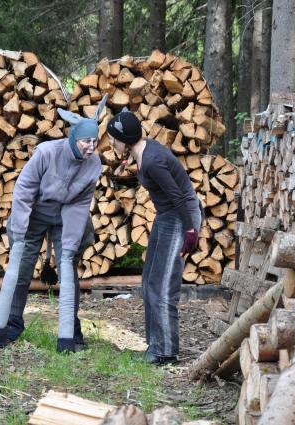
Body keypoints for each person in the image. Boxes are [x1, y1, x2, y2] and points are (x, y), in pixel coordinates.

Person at [0, 95, 108, 353]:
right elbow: (24, 190)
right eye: (87, 140)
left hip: (66, 219)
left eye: (95, 141)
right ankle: (11, 323)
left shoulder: (93, 164)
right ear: (74, 137)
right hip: (34, 216)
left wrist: (70, 245)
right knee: (21, 268)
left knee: (68, 271)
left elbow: (79, 206)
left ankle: (70, 330)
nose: (91, 146)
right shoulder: (47, 153)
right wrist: (19, 232)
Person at [106, 110, 201, 365]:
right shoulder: (143, 152)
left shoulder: (151, 161)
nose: (111, 143)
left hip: (181, 217)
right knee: (149, 279)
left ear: (125, 139)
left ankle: (166, 351)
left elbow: (179, 196)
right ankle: (154, 346)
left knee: (162, 285)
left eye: (114, 138)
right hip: (167, 215)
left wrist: (191, 231)